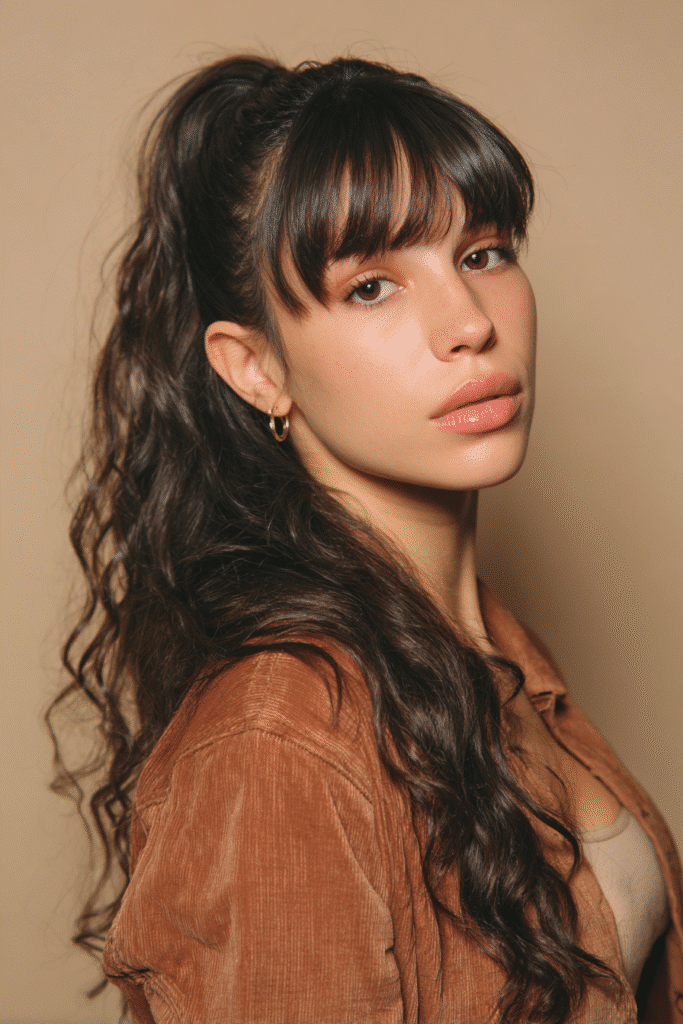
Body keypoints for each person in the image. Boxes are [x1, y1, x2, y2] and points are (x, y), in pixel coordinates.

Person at [48, 54, 682, 1024]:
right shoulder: (277, 745)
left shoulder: (500, 658)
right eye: (372, 286)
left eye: (482, 254)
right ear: (256, 369)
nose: (468, 324)